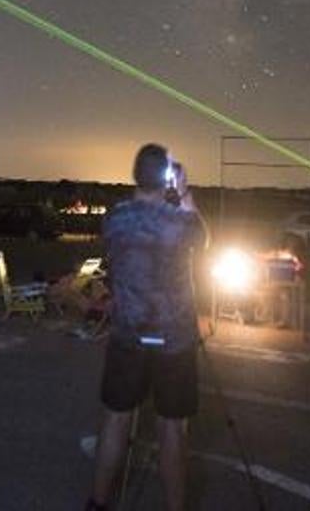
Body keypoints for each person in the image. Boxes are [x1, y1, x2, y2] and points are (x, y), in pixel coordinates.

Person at [86, 144, 209, 511]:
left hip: (127, 335)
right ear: (166, 178)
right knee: (172, 428)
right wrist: (184, 195)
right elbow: (203, 242)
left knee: (115, 420)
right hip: (175, 339)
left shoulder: (115, 217)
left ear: (135, 175)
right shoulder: (180, 221)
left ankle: (97, 502)